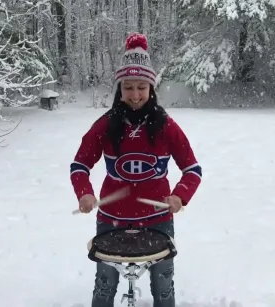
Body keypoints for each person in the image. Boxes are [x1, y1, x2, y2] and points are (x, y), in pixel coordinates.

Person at [69, 32, 202, 307]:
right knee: (104, 288)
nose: (135, 94)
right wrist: (84, 193)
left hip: (157, 221)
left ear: (151, 89)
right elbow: (79, 165)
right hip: (111, 219)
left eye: (141, 87)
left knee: (163, 288)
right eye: (128, 87)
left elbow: (193, 169)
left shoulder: (166, 126)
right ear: (120, 89)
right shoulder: (105, 125)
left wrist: (179, 196)